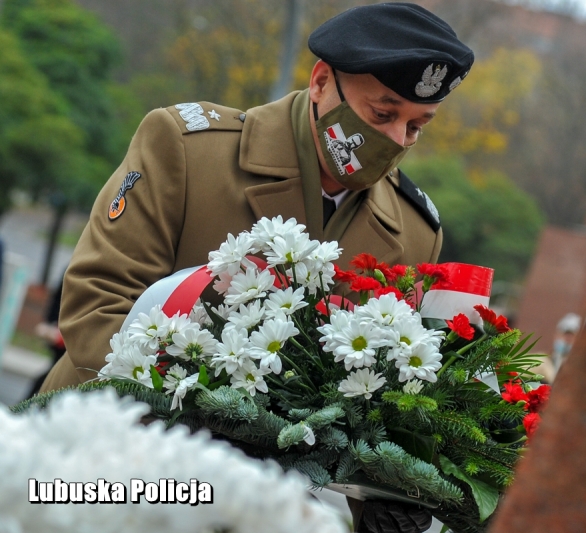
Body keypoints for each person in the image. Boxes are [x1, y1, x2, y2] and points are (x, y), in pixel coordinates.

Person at [38, 4, 473, 532]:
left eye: (417, 125)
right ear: (320, 83)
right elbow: (97, 302)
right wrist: (195, 417)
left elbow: (379, 398)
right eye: (382, 114)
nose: (398, 139)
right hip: (93, 471)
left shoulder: (413, 232)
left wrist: (388, 490)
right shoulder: (187, 150)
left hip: (251, 512)